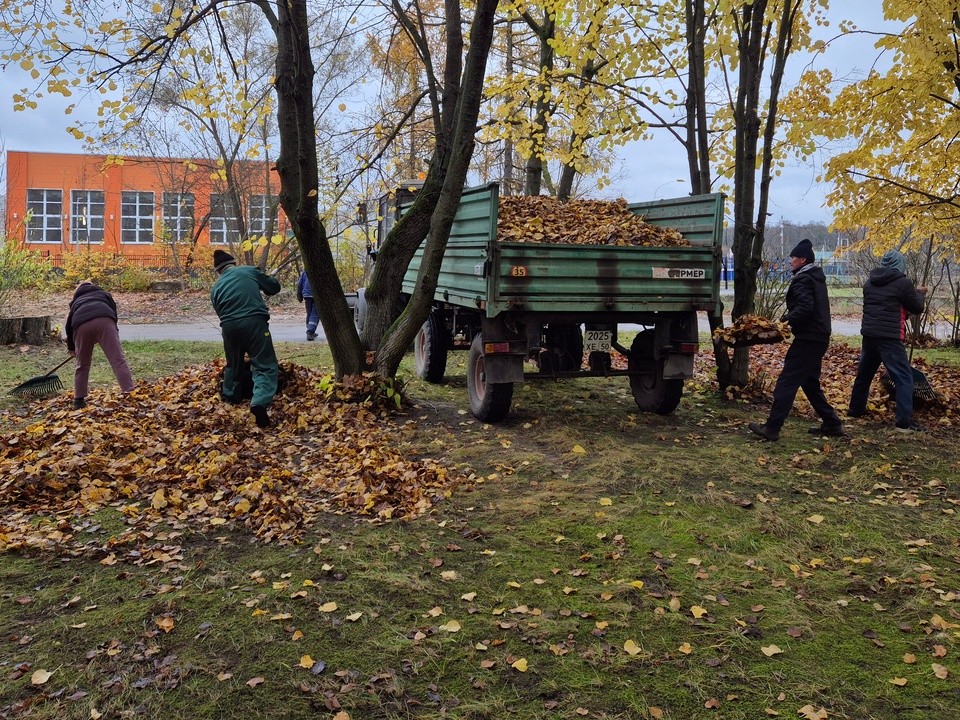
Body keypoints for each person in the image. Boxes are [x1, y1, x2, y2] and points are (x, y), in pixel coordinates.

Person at [749, 239, 843, 441]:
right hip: (818, 336)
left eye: (793, 257)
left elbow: (805, 308)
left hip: (809, 338)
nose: (790, 261)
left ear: (802, 259)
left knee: (787, 381)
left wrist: (784, 321)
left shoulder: (804, 279)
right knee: (809, 382)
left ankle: (772, 428)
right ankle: (832, 424)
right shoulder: (815, 278)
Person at [848, 249, 928, 432]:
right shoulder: (903, 283)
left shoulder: (870, 283)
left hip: (869, 335)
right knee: (903, 377)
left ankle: (855, 409)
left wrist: (903, 312)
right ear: (899, 265)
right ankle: (904, 422)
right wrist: (920, 293)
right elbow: (916, 307)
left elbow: (886, 307)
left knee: (864, 374)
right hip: (889, 337)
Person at [210, 249, 281, 428]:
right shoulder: (248, 271)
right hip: (254, 324)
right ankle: (259, 401)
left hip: (228, 328)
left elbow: (220, 313)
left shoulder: (216, 288)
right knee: (264, 364)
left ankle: (230, 398)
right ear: (233, 263)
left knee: (234, 364)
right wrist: (266, 277)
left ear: (218, 270)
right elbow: (274, 287)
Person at [65, 280, 135, 409]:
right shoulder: (104, 294)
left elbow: (69, 326)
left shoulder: (76, 301)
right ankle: (129, 393)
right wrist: (112, 331)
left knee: (82, 365)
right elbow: (113, 312)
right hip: (105, 321)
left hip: (81, 325)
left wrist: (72, 347)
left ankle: (78, 400)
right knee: (118, 360)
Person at [296, 269, 320, 341]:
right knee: (315, 313)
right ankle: (310, 331)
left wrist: (299, 295)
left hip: (307, 294)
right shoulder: (321, 270)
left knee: (309, 312)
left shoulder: (306, 271)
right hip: (317, 294)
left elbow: (300, 284)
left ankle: (310, 329)